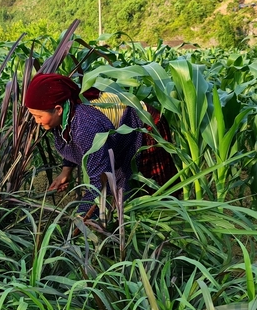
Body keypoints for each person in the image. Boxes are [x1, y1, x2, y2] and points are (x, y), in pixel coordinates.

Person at [24, 73, 177, 212]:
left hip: (146, 124)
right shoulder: (65, 113)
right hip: (116, 131)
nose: (36, 122)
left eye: (38, 116)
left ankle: (170, 217)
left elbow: (101, 182)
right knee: (118, 184)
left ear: (58, 109)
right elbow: (70, 139)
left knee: (156, 189)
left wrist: (81, 218)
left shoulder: (86, 128)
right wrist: (66, 171)